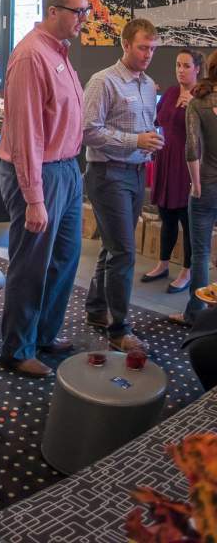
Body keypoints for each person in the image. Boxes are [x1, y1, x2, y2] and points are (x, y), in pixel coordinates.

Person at [0, 0, 88, 378]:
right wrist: (34, 196)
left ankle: (44, 334)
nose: (83, 19)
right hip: (39, 174)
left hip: (66, 170)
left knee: (65, 261)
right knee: (31, 264)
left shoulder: (59, 54)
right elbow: (26, 134)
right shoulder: (31, 56)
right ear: (53, 11)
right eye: (77, 11)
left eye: (85, 11)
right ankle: (17, 349)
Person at [84, 18, 162, 351]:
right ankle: (119, 331)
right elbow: (87, 130)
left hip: (134, 173)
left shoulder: (149, 85)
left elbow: (147, 128)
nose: (148, 55)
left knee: (113, 248)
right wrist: (135, 140)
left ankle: (96, 309)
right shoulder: (102, 82)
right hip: (107, 173)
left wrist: (152, 140)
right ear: (126, 44)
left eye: (153, 49)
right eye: (143, 47)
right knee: (125, 253)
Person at [142, 49, 204, 291]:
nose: (181, 70)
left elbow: (207, 134)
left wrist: (194, 109)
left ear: (197, 68)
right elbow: (157, 121)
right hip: (166, 161)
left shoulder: (203, 97)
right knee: (166, 216)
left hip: (188, 164)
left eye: (186, 66)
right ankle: (163, 263)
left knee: (186, 221)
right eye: (178, 65)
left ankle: (187, 271)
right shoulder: (169, 93)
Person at [170, 50, 217, 328]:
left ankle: (195, 315)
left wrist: (196, 184)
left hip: (206, 187)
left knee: (199, 254)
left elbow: (192, 148)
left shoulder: (197, 102)